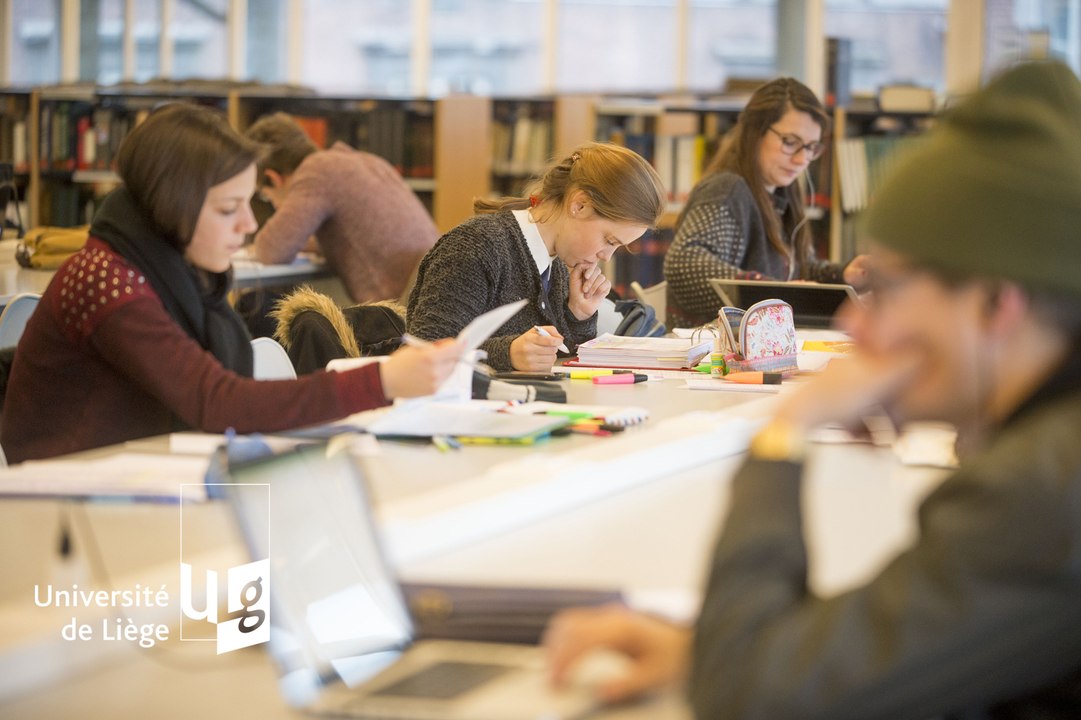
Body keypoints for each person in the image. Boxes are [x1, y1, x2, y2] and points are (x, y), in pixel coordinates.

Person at [544, 61, 1081, 718]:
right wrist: (708, 652)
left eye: (894, 289)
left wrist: (782, 433)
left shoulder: (1036, 491)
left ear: (997, 304)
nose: (858, 320)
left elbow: (756, 696)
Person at [1, 103, 461, 464]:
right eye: (228, 209)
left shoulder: (174, 273)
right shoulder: (107, 283)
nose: (247, 224)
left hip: (139, 475)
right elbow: (219, 402)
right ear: (171, 206)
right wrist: (382, 379)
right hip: (65, 504)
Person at [406, 142, 666, 372]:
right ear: (580, 205)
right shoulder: (477, 245)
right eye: (609, 240)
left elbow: (559, 359)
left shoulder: (559, 263)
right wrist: (509, 354)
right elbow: (425, 351)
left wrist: (579, 315)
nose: (607, 257)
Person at [663, 77, 871, 327]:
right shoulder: (728, 190)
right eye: (790, 142)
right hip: (711, 356)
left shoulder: (779, 194)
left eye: (811, 147)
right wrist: (775, 293)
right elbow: (684, 264)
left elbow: (795, 270)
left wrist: (842, 274)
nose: (801, 159)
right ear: (755, 132)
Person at [244, 112, 438, 303]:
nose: (276, 205)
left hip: (403, 312)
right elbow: (358, 232)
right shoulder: (364, 160)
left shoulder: (316, 171)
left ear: (273, 178)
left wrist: (268, 243)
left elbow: (271, 251)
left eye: (266, 196)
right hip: (432, 295)